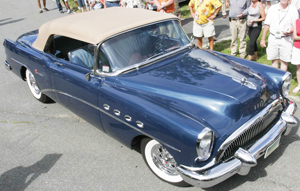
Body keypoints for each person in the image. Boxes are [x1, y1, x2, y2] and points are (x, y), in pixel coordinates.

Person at [260, 0, 298, 71]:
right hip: (273, 38)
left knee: (284, 62)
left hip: (286, 39)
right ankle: (275, 79)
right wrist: (263, 38)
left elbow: (296, 26)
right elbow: (267, 24)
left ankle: (282, 80)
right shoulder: (272, 8)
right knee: (274, 61)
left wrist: (290, 30)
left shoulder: (293, 10)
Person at [291, 17, 300, 93]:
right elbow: (294, 36)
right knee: (298, 67)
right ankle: (299, 85)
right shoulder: (297, 21)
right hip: (297, 47)